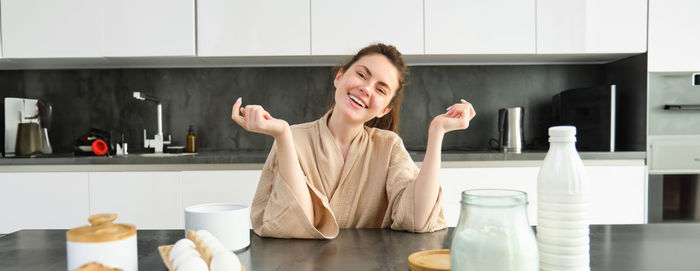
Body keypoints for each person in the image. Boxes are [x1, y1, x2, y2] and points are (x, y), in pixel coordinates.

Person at [231, 43, 476, 239]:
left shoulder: (388, 146)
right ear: (339, 77)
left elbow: (418, 219)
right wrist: (283, 134)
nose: (367, 89)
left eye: (381, 89)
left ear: (384, 110)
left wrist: (437, 133)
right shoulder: (292, 137)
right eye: (361, 75)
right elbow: (292, 224)